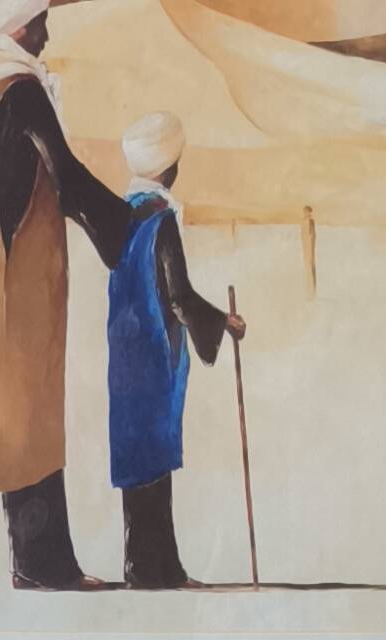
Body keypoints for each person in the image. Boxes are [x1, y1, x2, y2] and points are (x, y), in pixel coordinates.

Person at [0, 6, 140, 590]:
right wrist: (127, 230)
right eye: (42, 19)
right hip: (24, 287)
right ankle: (46, 565)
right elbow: (68, 177)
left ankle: (31, 561)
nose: (48, 31)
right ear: (22, 25)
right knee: (32, 420)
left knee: (17, 419)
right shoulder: (23, 92)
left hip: (0, 283)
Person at [103, 118, 241, 591]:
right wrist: (224, 322)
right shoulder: (160, 219)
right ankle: (155, 569)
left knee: (137, 455)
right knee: (154, 456)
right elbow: (179, 297)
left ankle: (150, 566)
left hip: (123, 350)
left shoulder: (120, 215)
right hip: (155, 350)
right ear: (168, 169)